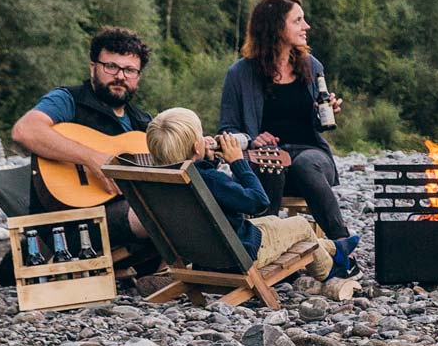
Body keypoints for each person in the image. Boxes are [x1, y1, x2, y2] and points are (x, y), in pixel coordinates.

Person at [0, 27, 158, 284]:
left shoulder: (143, 122)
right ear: (93, 67)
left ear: (138, 76)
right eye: (111, 67)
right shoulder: (69, 100)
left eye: (129, 70)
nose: (120, 76)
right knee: (154, 210)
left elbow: (168, 163)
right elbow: (24, 130)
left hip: (120, 219)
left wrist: (197, 154)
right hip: (72, 225)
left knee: (177, 201)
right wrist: (91, 158)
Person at [145, 107, 359, 280]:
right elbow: (258, 202)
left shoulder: (162, 181)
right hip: (240, 254)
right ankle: (330, 268)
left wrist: (209, 161)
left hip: (202, 256)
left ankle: (332, 247)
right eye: (201, 137)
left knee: (274, 222)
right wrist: (238, 162)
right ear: (196, 147)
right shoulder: (210, 180)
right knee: (301, 226)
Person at [218, 0, 351, 245]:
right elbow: (227, 129)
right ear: (276, 27)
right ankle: (266, 248)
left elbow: (317, 126)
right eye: (298, 20)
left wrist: (325, 111)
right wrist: (252, 139)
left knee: (306, 164)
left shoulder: (312, 66)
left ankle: (342, 244)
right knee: (272, 163)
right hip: (265, 160)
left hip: (309, 158)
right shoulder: (239, 74)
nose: (306, 26)